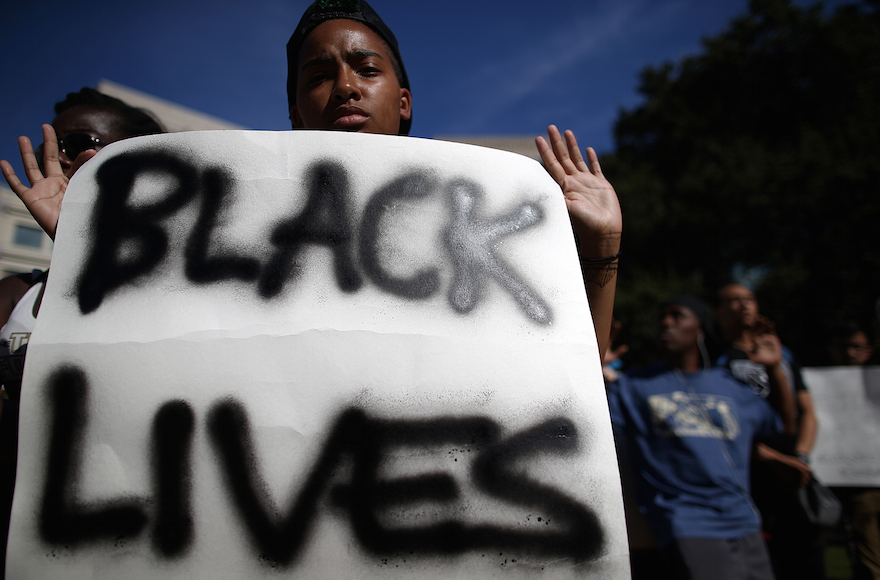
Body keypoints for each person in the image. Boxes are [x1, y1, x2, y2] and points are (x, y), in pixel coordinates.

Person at [0, 87, 163, 579]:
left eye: (90, 142)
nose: (73, 159)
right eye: (65, 147)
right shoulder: (13, 295)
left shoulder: (174, 295)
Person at [607, 295, 781, 580]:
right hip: (687, 522)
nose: (666, 322)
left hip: (744, 519)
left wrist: (775, 369)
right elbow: (595, 418)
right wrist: (593, 368)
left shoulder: (729, 386)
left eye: (677, 316)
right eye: (662, 316)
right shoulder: (633, 386)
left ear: (700, 329)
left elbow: (780, 425)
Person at [715, 283, 821, 580]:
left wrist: (799, 455)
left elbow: (805, 413)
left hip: (791, 466)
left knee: (804, 554)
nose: (743, 306)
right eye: (733, 301)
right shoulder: (715, 357)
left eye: (748, 299)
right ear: (718, 312)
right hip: (749, 470)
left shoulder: (781, 353)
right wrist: (770, 458)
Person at [827, 321, 879, 580]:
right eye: (844, 347)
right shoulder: (820, 387)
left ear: (868, 350)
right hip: (859, 482)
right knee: (868, 556)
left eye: (857, 347)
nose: (850, 353)